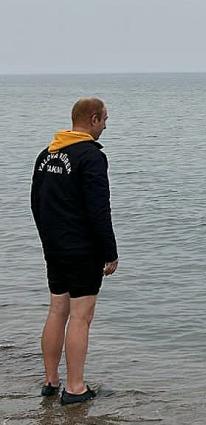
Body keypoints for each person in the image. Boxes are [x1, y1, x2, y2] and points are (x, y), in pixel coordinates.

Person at [31, 97, 118, 405]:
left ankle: (50, 380)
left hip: (54, 248)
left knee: (57, 310)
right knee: (80, 317)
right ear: (93, 119)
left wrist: (48, 242)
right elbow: (98, 210)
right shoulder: (91, 157)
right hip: (82, 250)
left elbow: (36, 203)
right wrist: (110, 251)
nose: (107, 124)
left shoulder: (47, 154)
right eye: (105, 118)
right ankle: (76, 387)